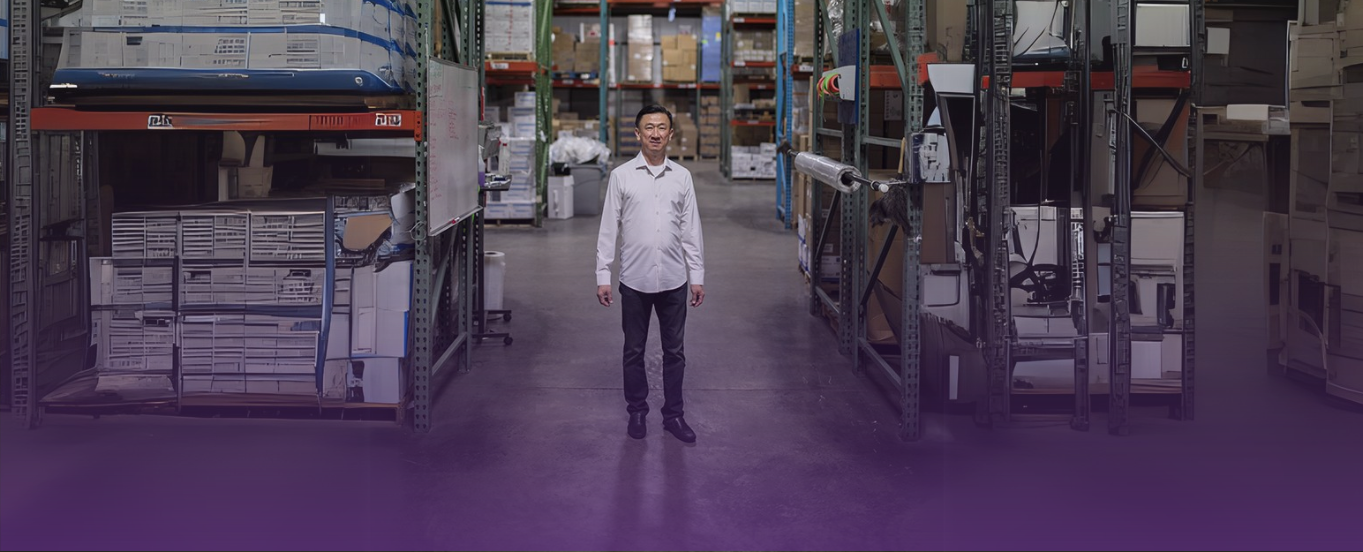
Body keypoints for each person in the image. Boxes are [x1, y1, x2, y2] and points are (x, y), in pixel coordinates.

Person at [595, 105, 706, 443]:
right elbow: (607, 228)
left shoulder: (682, 177)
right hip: (635, 280)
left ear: (671, 134)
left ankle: (674, 416)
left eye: (661, 127)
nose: (655, 133)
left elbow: (691, 229)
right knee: (634, 350)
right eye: (649, 128)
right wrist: (603, 273)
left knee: (675, 352)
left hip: (674, 280)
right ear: (637, 134)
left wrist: (697, 273)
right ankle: (637, 412)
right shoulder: (622, 176)